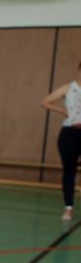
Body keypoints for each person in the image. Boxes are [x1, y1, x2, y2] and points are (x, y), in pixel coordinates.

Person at [40, 60, 81, 220]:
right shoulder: (68, 88)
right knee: (69, 171)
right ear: (78, 70)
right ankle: (68, 207)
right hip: (69, 134)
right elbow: (44, 102)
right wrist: (62, 110)